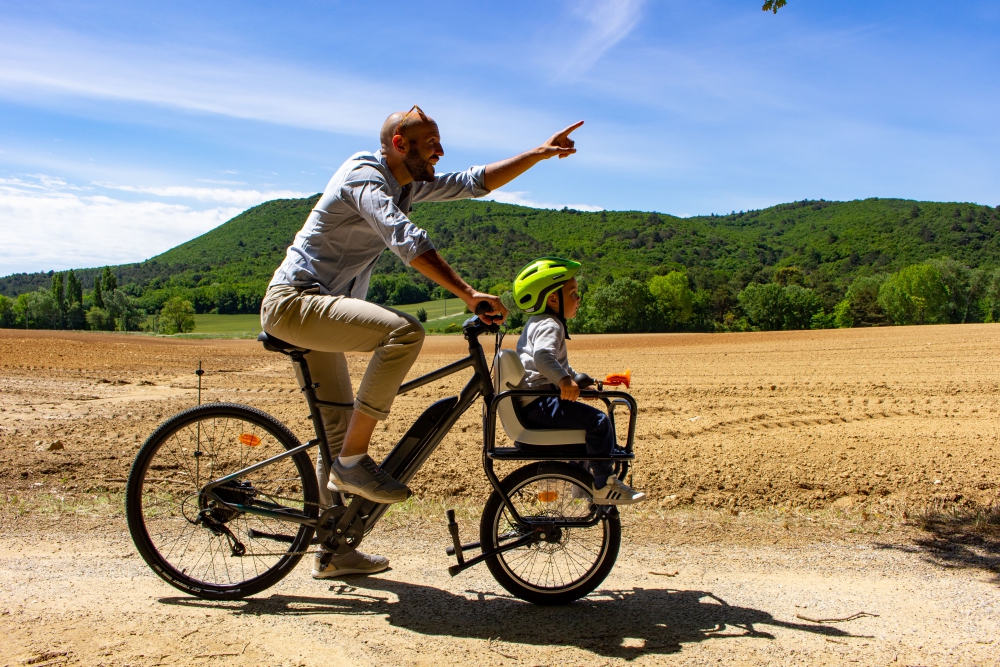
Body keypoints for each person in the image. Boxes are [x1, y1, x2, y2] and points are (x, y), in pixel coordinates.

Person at [261, 107, 584, 577]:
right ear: (399, 145)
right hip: (295, 303)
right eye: (431, 142)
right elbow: (404, 238)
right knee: (404, 330)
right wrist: (468, 294)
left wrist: (538, 152)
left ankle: (334, 550)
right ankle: (353, 463)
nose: (440, 150)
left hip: (320, 313)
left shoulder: (407, 183)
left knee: (336, 433)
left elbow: (473, 181)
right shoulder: (365, 178)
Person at [512, 257, 646, 505]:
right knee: (599, 422)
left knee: (586, 431)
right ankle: (605, 483)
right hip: (541, 405)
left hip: (537, 404)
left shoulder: (538, 322)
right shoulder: (551, 324)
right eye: (573, 293)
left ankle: (580, 487)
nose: (579, 298)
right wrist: (564, 380)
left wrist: (575, 379)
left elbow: (556, 364)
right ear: (553, 299)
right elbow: (543, 358)